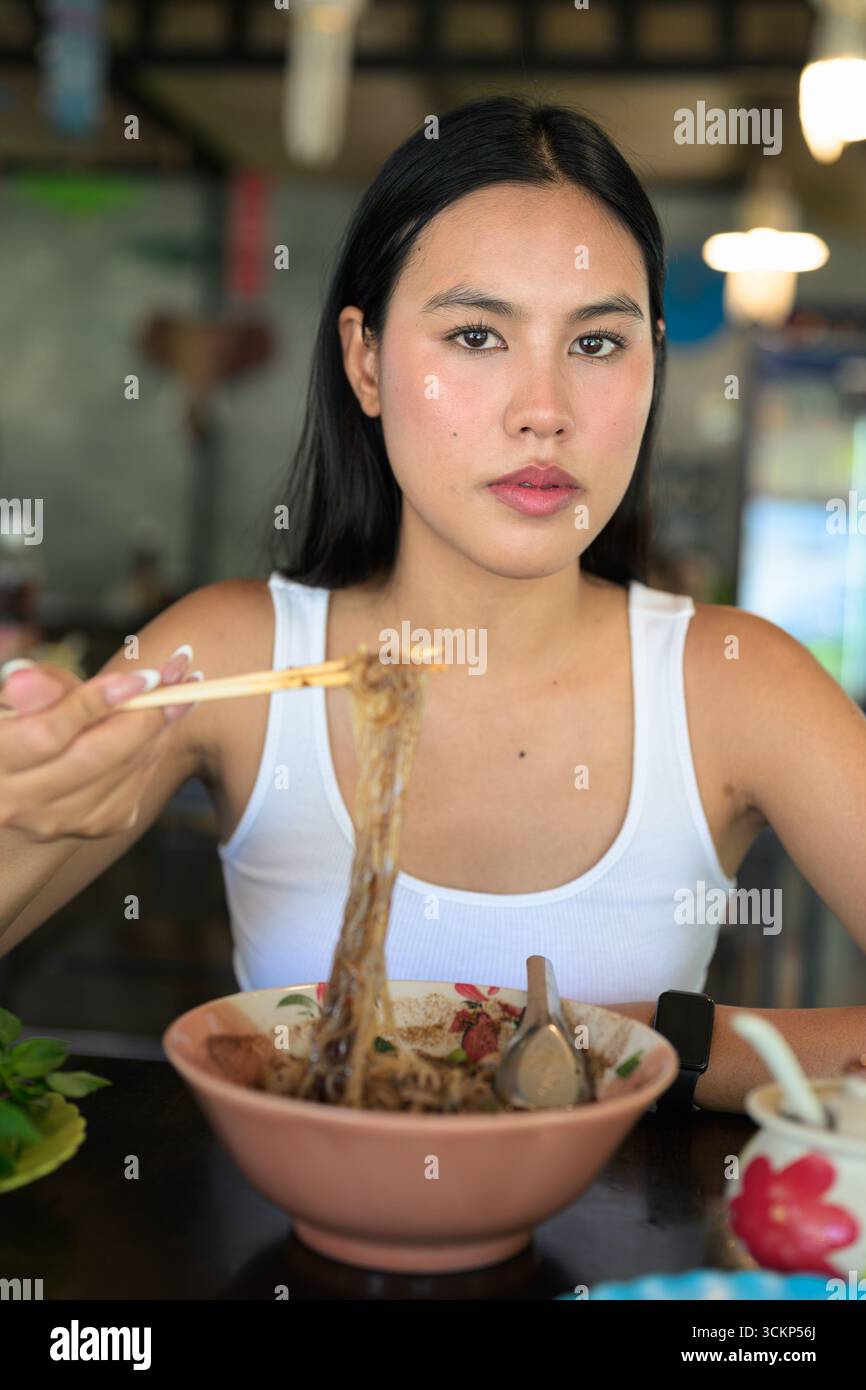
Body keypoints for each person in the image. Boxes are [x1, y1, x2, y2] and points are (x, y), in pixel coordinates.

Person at [1, 97, 864, 1114]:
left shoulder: (733, 683)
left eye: (595, 344)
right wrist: (21, 807)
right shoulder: (227, 655)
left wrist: (634, 1046)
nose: (542, 409)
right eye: (473, 334)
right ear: (364, 360)